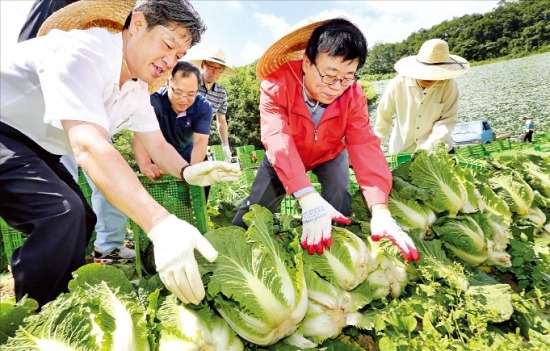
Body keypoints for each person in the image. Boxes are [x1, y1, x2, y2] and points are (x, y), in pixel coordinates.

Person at [0, 0, 240, 307]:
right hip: (5, 129)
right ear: (138, 24)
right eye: (167, 45)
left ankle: (56, 304)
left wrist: (186, 171)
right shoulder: (84, 52)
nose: (170, 61)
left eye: (179, 55)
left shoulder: (137, 88)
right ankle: (37, 317)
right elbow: (88, 145)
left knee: (80, 218)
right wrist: (160, 223)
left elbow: (157, 144)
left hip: (38, 146)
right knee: (60, 214)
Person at [231, 18, 419, 262]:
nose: (336, 86)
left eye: (347, 76)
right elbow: (277, 137)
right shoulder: (276, 85)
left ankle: (337, 254)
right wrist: (306, 196)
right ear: (307, 63)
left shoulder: (353, 94)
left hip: (330, 153)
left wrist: (380, 209)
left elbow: (364, 144)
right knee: (255, 206)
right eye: (329, 75)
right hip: (287, 154)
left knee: (340, 194)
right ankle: (234, 246)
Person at [17, 0, 135, 264]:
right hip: (51, 110)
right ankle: (63, 257)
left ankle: (107, 247)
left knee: (104, 182)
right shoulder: (51, 4)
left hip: (92, 106)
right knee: (60, 202)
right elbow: (31, 48)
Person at [374, 38, 470, 154]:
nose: (429, 78)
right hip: (403, 149)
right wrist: (374, 147)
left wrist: (428, 147)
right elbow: (384, 116)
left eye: (435, 73)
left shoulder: (449, 86)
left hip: (437, 150)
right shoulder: (398, 84)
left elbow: (447, 120)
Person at [133, 61, 213, 180]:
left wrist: (193, 170)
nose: (183, 99)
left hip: (186, 153)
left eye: (191, 94)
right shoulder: (153, 103)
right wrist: (145, 164)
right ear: (168, 83)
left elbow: (200, 141)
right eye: (178, 92)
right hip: (156, 154)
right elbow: (140, 137)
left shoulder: (203, 107)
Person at [187, 47, 237, 162]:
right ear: (203, 65)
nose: (215, 71)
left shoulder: (221, 94)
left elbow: (221, 121)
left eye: (219, 69)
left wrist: (225, 145)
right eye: (211, 66)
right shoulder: (189, 83)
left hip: (200, 142)